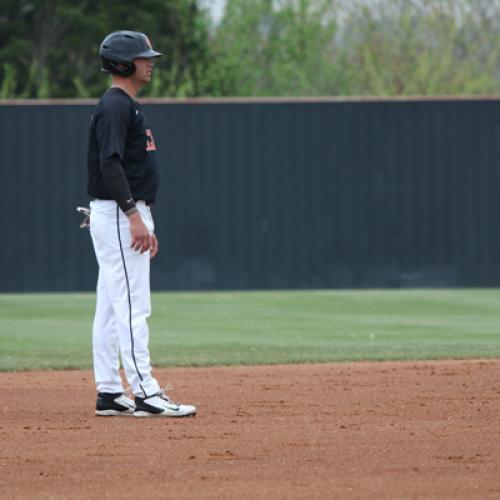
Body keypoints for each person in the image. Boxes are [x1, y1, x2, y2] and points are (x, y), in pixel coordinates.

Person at [86, 30, 196, 418]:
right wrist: (134, 216)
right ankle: (146, 392)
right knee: (132, 305)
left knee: (112, 307)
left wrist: (138, 215)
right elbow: (109, 163)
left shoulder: (123, 105)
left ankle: (111, 392)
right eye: (142, 57)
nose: (150, 62)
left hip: (119, 213)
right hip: (120, 214)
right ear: (123, 64)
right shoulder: (116, 106)